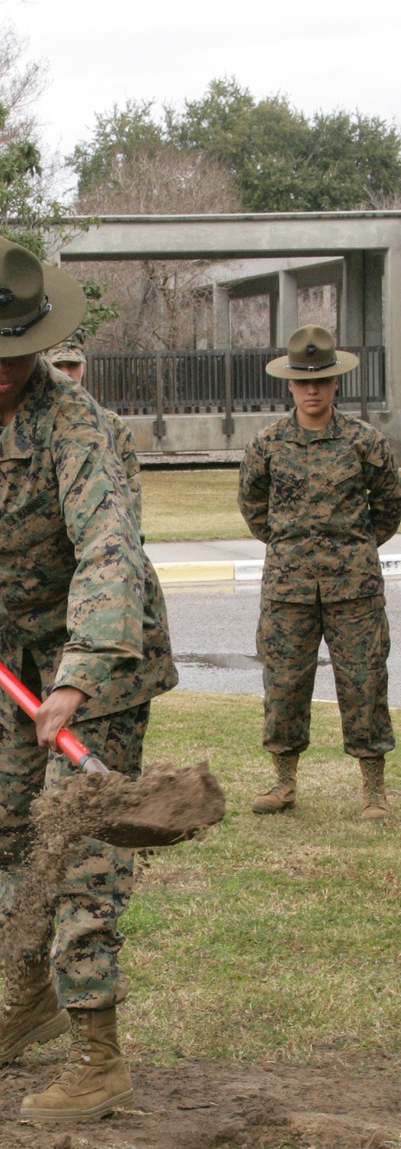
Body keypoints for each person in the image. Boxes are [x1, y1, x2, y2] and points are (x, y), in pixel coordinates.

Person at [0, 236, 177, 1123]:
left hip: (101, 662)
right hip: (16, 656)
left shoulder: (78, 427)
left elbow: (112, 551)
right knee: (16, 839)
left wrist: (78, 678)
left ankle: (99, 1056)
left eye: (15, 350)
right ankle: (27, 1005)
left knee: (79, 849)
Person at [238, 324, 401, 820]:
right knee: (284, 683)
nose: (312, 389)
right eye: (303, 381)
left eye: (322, 380)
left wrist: (350, 548)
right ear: (289, 384)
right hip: (288, 589)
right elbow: (253, 507)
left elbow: (390, 506)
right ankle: (284, 783)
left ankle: (374, 789)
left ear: (336, 384)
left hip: (354, 588)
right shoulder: (267, 444)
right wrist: (293, 550)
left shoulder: (364, 442)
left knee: (364, 681)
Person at [45, 337, 142, 528]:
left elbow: (130, 496)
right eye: (58, 365)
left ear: (83, 368)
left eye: (72, 365)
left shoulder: (112, 427)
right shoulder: (28, 427)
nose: (66, 372)